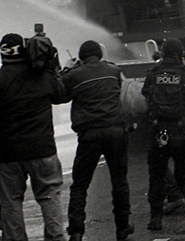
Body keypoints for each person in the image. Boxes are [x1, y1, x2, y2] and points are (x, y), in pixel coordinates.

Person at [0, 33, 68, 241]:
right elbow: (61, 96)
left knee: (11, 201)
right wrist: (53, 67)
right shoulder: (42, 77)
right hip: (42, 149)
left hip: (9, 153)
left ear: (3, 53)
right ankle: (56, 237)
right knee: (49, 196)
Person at [61, 40, 133, 241]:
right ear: (100, 54)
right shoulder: (113, 70)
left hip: (89, 134)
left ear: (82, 57)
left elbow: (58, 95)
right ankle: (122, 226)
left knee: (80, 184)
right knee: (119, 181)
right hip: (115, 131)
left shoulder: (75, 75)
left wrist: (66, 69)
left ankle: (76, 230)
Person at [141, 38, 185, 233]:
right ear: (181, 54)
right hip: (184, 134)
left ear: (162, 53)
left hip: (160, 133)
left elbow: (146, 93)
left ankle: (155, 218)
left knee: (157, 173)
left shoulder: (153, 74)